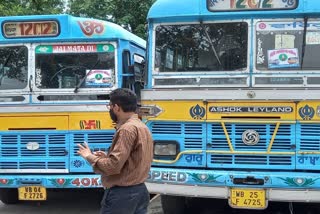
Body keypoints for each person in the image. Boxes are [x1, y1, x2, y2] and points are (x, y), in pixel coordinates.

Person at [77, 88, 154, 214]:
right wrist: (106, 157)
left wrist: (89, 156)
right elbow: (132, 160)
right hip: (140, 191)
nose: (110, 109)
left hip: (123, 195)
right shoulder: (142, 126)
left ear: (117, 107)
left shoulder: (126, 129)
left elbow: (113, 166)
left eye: (110, 106)